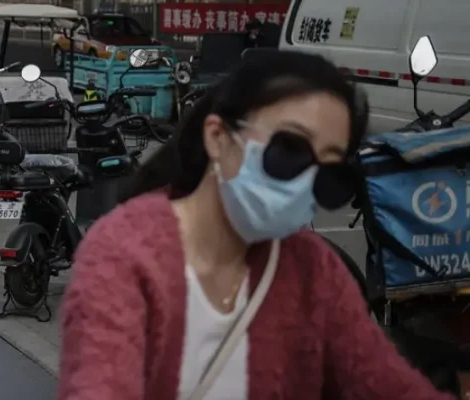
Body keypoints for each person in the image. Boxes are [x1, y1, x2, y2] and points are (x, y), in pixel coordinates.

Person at [58, 51, 453, 399]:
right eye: (289, 151)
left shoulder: (313, 269)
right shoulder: (124, 256)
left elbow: (385, 382)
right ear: (218, 137)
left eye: (331, 173)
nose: (304, 182)